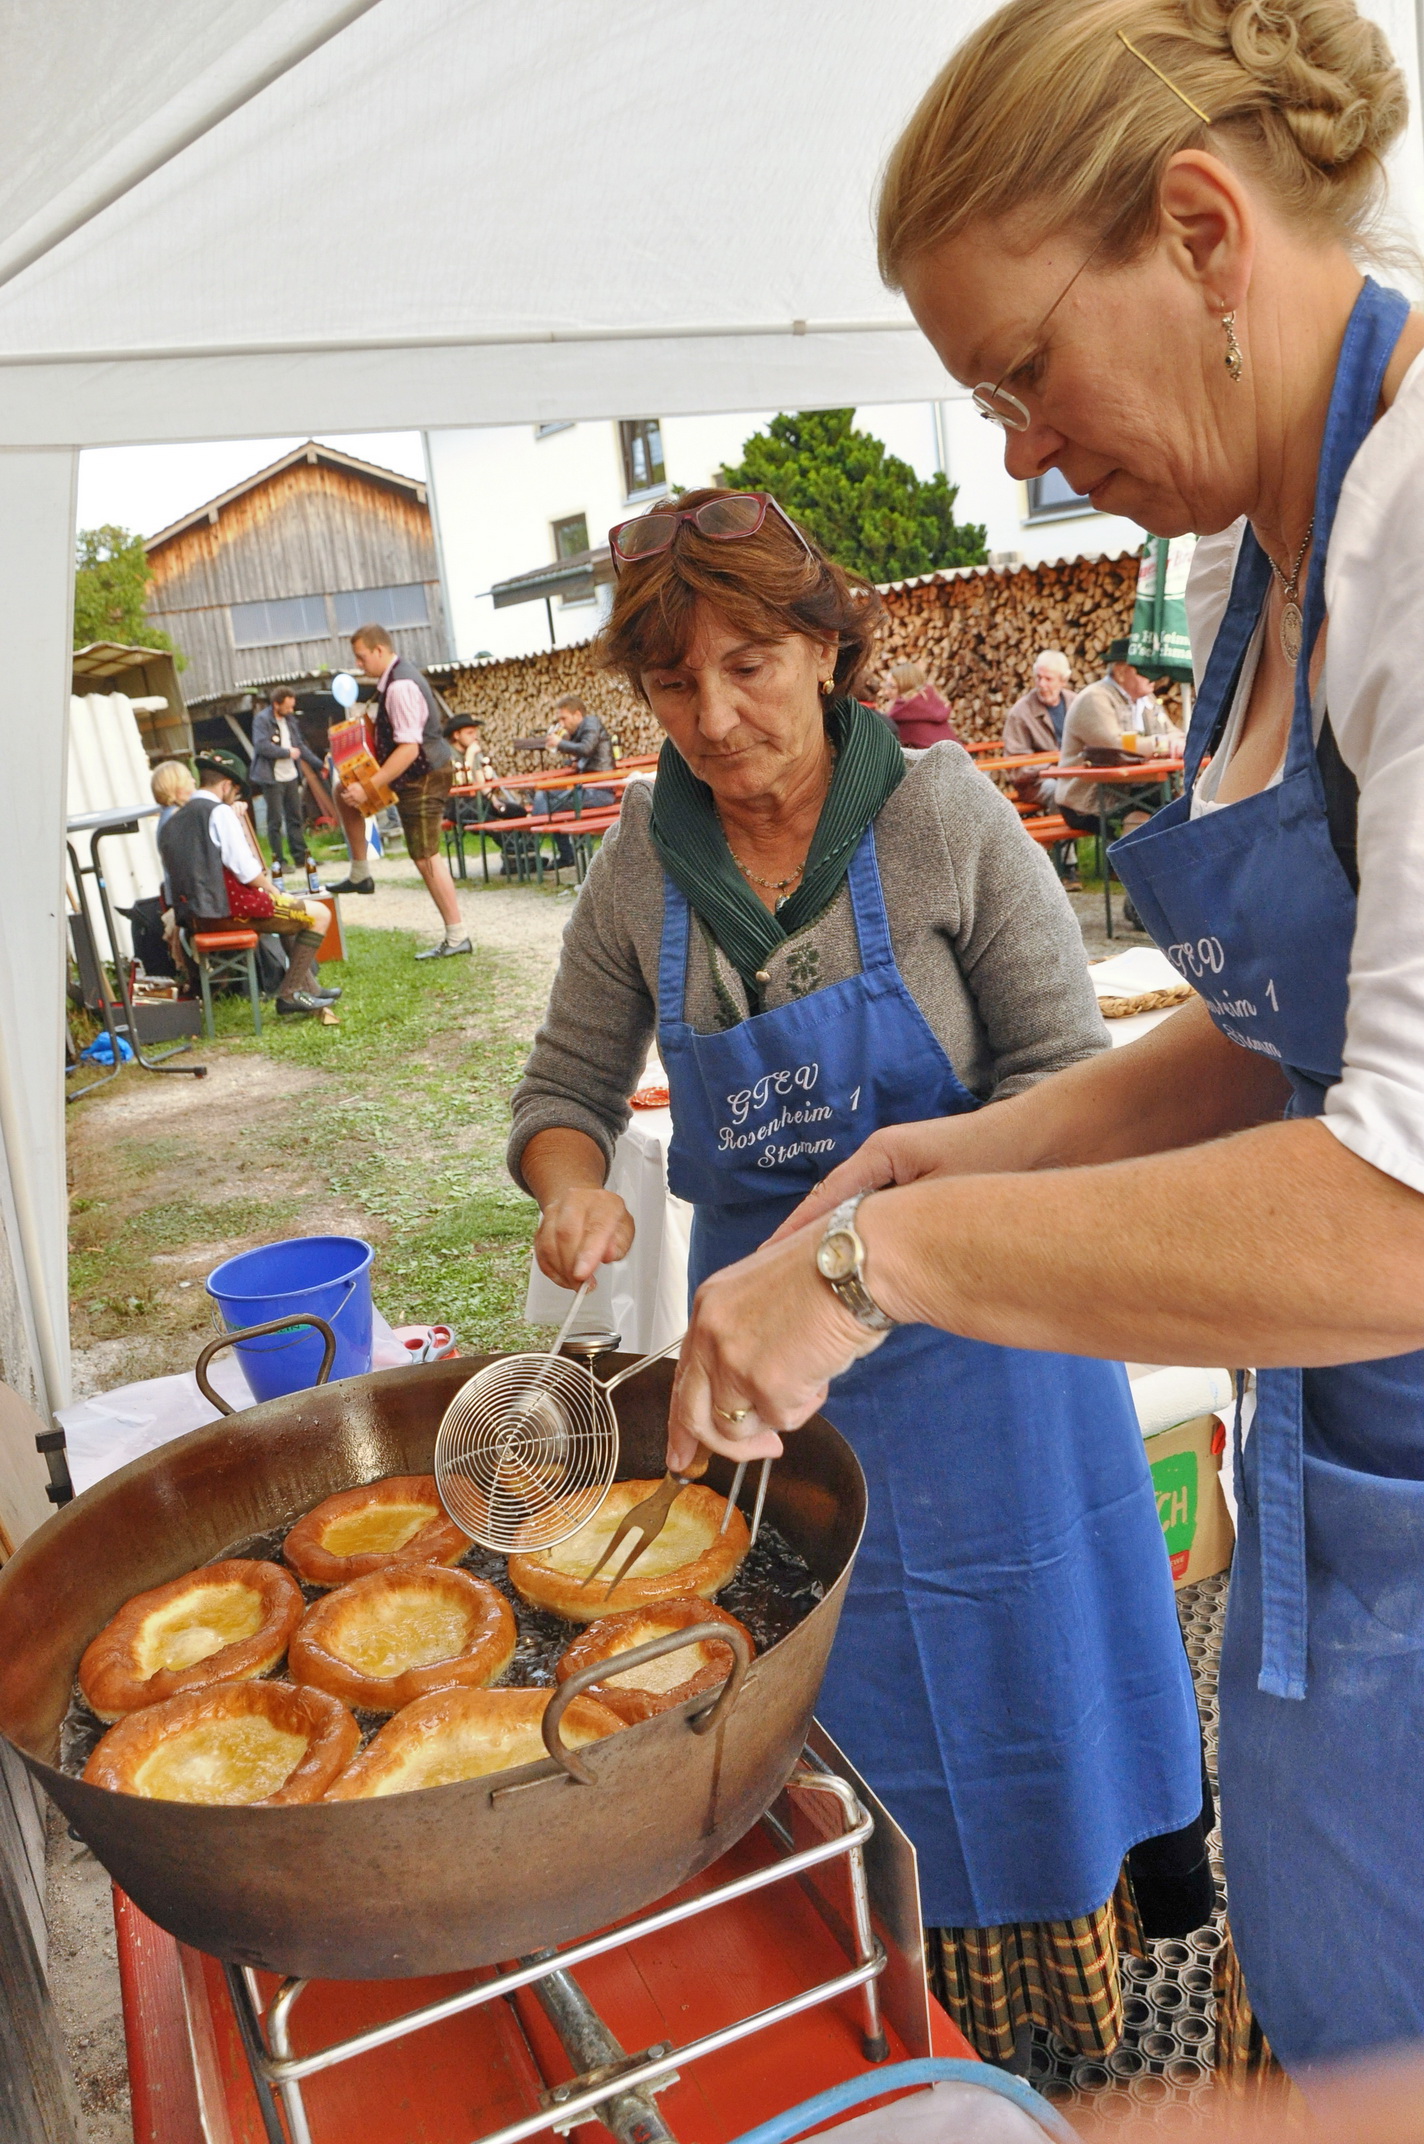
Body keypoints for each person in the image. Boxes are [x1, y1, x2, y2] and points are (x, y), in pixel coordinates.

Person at [660, 0, 1424, 2085]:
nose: (1011, 450)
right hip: (1346, 1470)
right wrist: (956, 1156)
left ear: (1198, 232)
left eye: (1019, 372)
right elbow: (1286, 1034)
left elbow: (1398, 1211)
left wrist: (874, 1262)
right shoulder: (1265, 546)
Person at [510, 485, 1208, 2065]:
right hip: (772, 1398)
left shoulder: (942, 820)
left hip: (993, 1345)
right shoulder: (638, 869)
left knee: (1031, 1672)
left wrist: (906, 1231)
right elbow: (563, 1090)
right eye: (673, 683)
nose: (714, 717)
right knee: (830, 1685)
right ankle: (869, 1999)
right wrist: (573, 1191)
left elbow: (1066, 1080)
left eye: (750, 664)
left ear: (828, 647)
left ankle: (1056, 2016)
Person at [157, 749, 338, 1017]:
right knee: (320, 914)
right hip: (231, 911)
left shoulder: (172, 820)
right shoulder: (219, 812)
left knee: (290, 918)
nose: (236, 797)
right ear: (226, 785)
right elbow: (245, 870)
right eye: (237, 791)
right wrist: (275, 891)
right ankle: (289, 994)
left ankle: (309, 988)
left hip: (197, 917)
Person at [328, 625, 472, 960]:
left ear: (379, 650)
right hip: (413, 772)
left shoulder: (400, 686)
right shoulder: (391, 681)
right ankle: (361, 875)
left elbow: (409, 749)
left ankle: (457, 936)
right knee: (342, 791)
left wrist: (369, 786)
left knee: (425, 855)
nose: (358, 664)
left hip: (424, 774)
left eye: (361, 657)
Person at [250, 688, 323, 878]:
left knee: (295, 818)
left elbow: (300, 746)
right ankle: (279, 862)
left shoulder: (290, 720)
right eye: (288, 707)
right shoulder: (262, 720)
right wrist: (286, 753)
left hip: (290, 775)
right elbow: (261, 746)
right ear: (276, 704)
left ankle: (301, 857)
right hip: (271, 777)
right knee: (275, 821)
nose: (291, 710)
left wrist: (318, 764)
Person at [1003, 650, 1074, 811]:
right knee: (1058, 792)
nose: (1042, 684)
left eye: (1048, 679)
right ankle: (1064, 829)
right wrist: (1048, 768)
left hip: (1072, 771)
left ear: (1063, 681)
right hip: (1036, 782)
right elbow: (1016, 767)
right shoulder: (1020, 712)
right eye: (1038, 677)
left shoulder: (1075, 703)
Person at [880, 659, 960, 748]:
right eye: (886, 686)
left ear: (906, 687)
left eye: (892, 687)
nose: (886, 692)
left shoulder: (901, 714)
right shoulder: (930, 704)